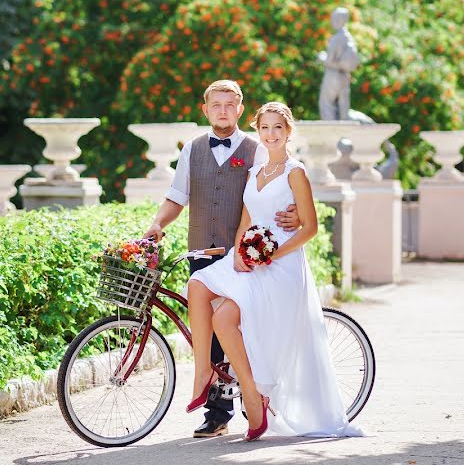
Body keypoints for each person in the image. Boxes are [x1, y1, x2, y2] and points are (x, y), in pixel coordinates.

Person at [187, 102, 363, 440]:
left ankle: (253, 397)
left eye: (277, 128)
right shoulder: (255, 172)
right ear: (258, 130)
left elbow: (309, 228)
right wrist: (240, 252)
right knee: (197, 283)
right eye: (265, 128)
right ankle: (202, 372)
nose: (271, 134)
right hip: (250, 257)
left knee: (223, 319)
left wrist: (270, 254)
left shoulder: (295, 172)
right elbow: (246, 220)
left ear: (288, 132)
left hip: (281, 263)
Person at [144, 80, 300, 438]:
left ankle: (254, 400)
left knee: (241, 326)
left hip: (240, 256)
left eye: (230, 104)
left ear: (241, 110)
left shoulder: (255, 148)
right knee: (211, 333)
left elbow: (276, 182)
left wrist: (293, 212)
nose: (223, 110)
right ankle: (218, 413)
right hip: (202, 250)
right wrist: (156, 223)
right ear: (205, 110)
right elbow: (176, 196)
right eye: (217, 105)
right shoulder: (193, 149)